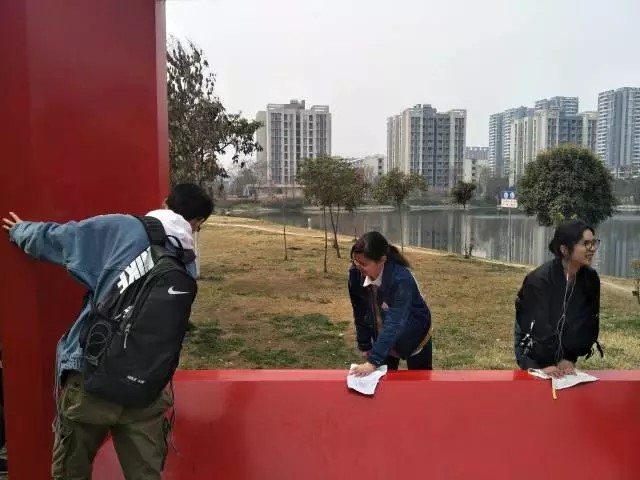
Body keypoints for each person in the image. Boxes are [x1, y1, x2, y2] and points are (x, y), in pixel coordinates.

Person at [2, 183, 213, 480]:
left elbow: (62, 239)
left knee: (71, 472)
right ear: (197, 222)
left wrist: (20, 231)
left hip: (92, 378)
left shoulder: (123, 228)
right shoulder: (187, 259)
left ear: (165, 203)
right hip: (146, 388)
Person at [514, 220, 603, 378]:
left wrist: (569, 357)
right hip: (533, 346)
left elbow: (586, 322)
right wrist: (545, 364)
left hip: (564, 348)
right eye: (586, 244)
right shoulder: (539, 280)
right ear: (564, 250)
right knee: (539, 386)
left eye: (594, 242)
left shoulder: (590, 279)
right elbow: (536, 327)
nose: (593, 248)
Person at [348, 231, 433, 377]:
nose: (358, 266)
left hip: (415, 334)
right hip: (383, 337)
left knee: (421, 381)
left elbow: (395, 322)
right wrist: (364, 344)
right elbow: (360, 311)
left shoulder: (401, 280)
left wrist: (372, 361)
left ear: (382, 260)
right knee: (383, 381)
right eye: (355, 261)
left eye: (363, 264)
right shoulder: (355, 275)